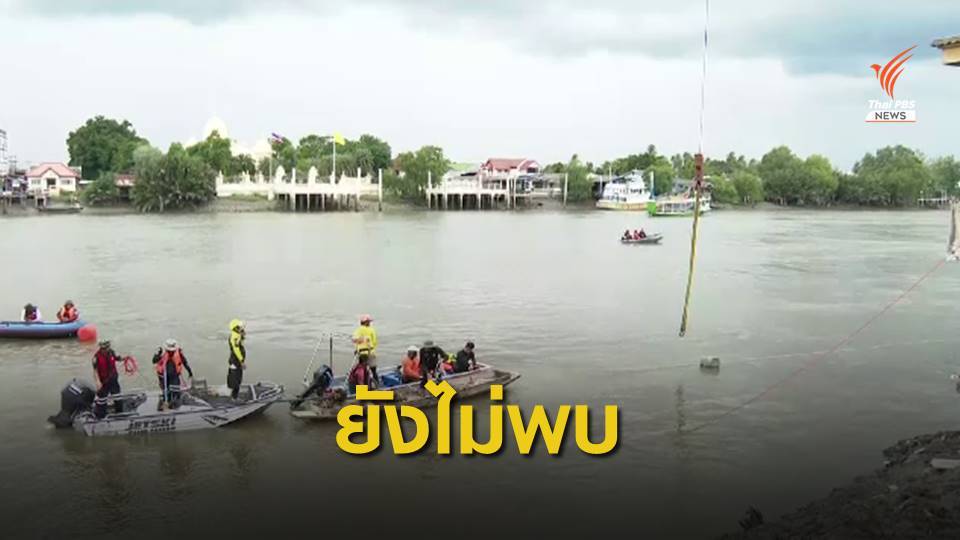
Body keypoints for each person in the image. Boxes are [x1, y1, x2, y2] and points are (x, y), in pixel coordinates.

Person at [152, 339, 194, 411]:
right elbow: (154, 361)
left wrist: (190, 372)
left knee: (175, 391)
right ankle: (166, 404)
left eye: (172, 350)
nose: (171, 351)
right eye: (169, 350)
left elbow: (185, 363)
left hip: (174, 376)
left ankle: (175, 405)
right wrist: (158, 354)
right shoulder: (162, 354)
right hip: (163, 377)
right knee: (166, 391)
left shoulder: (179, 354)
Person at [92, 340, 124, 418]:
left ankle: (120, 413)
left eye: (107, 347)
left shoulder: (112, 352)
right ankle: (100, 416)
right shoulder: (96, 357)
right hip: (103, 381)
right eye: (104, 348)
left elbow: (118, 358)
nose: (106, 349)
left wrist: (125, 358)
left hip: (113, 379)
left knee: (117, 396)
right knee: (102, 399)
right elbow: (95, 371)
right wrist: (98, 382)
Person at [352, 314, 378, 382]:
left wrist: (361, 341)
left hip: (363, 354)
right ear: (366, 322)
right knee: (373, 370)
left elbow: (354, 340)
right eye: (369, 321)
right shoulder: (372, 330)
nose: (370, 323)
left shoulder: (359, 330)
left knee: (362, 371)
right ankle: (377, 386)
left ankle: (363, 388)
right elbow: (375, 342)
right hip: (371, 353)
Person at [227, 319, 246, 400]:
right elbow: (236, 349)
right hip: (235, 361)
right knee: (236, 379)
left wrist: (242, 334)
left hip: (236, 361)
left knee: (238, 378)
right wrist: (242, 361)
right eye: (239, 327)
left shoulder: (237, 335)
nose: (240, 328)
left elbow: (242, 339)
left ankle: (234, 396)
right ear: (235, 328)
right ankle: (234, 398)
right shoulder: (234, 337)